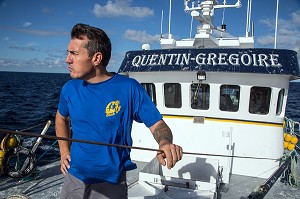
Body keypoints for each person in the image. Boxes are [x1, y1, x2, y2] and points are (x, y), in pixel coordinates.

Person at [55, 23, 183, 199]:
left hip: (111, 183)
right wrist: (64, 151)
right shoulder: (69, 88)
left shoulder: (129, 88)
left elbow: (157, 125)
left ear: (96, 58)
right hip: (74, 177)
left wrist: (165, 142)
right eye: (68, 53)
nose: (67, 59)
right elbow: (61, 118)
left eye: (74, 54)